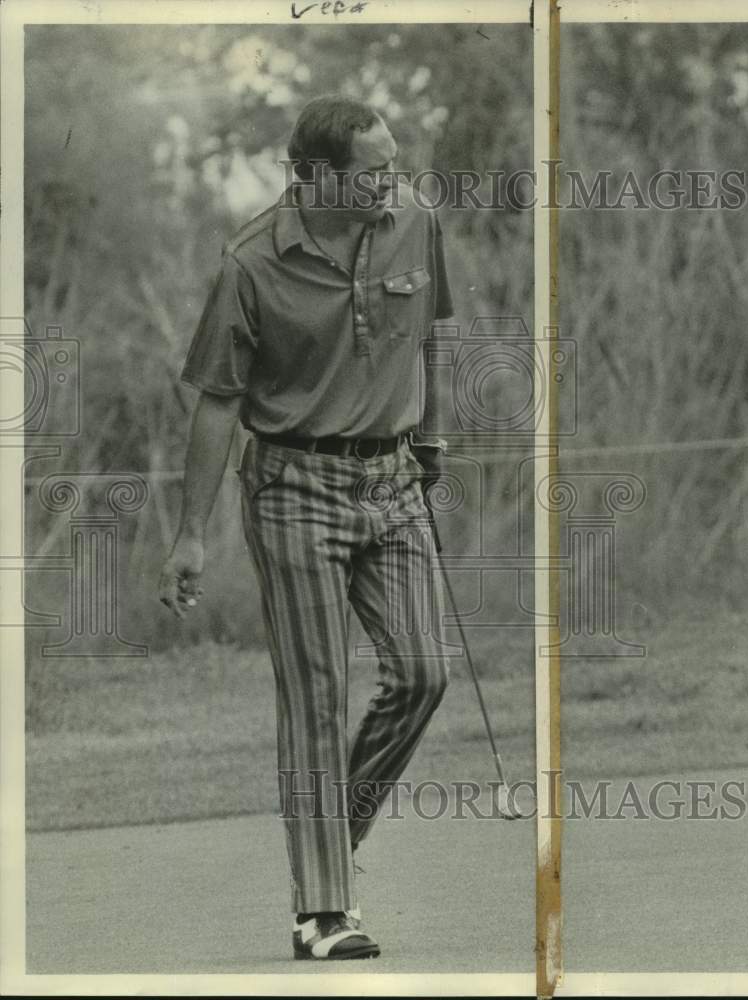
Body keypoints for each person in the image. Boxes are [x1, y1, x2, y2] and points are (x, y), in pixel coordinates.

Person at [158, 94, 454, 961]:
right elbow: (216, 404)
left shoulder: (414, 222)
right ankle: (323, 909)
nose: (389, 181)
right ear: (317, 177)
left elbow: (431, 331)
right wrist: (191, 535)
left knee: (424, 673)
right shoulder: (250, 261)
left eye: (393, 164)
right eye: (373, 170)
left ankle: (326, 844)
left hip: (393, 477)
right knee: (316, 698)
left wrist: (431, 438)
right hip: (293, 487)